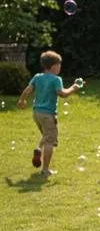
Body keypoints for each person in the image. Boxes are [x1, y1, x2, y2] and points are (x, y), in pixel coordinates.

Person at [16, 49, 82, 177]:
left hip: (36, 113)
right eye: (59, 65)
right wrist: (74, 87)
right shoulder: (56, 79)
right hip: (48, 114)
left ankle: (38, 149)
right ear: (53, 66)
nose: (60, 67)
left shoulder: (37, 77)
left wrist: (22, 100)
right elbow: (62, 94)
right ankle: (45, 169)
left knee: (46, 134)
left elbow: (28, 89)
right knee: (50, 140)